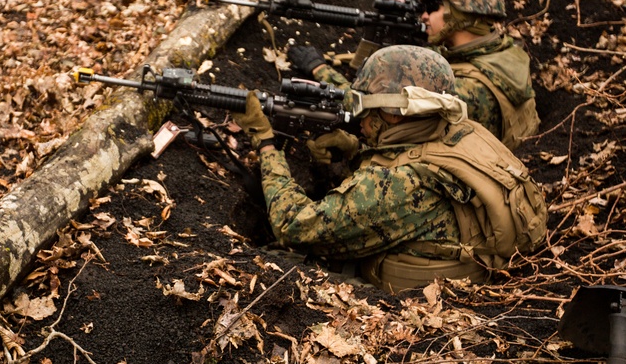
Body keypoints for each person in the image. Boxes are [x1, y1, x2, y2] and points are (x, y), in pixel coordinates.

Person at [233, 45, 546, 293]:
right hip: (472, 269)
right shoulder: (463, 130)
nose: (361, 120)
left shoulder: (400, 185)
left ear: (394, 114)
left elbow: (293, 226)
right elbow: (408, 155)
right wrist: (356, 149)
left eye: (365, 107)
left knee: (270, 264)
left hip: (415, 302)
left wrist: (266, 144)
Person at [289, 0, 539, 150]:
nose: (424, 17)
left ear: (461, 12)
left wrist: (319, 69)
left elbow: (370, 106)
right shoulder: (505, 53)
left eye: (432, 8)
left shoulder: (471, 91)